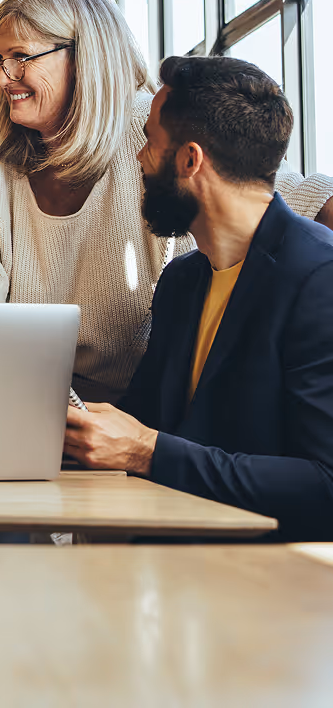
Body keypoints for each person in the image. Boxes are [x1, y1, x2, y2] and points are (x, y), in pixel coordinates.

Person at [0, 0, 333, 403]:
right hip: (25, 397)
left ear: (84, 58)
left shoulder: (156, 128)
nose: (4, 78)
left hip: (148, 407)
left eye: (21, 57)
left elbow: (289, 198)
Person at [64, 56, 333, 541]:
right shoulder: (183, 281)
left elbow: (326, 486)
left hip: (276, 589)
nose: (139, 157)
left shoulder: (320, 278)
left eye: (149, 140)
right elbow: (144, 423)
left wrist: (147, 450)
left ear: (190, 160)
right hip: (170, 572)